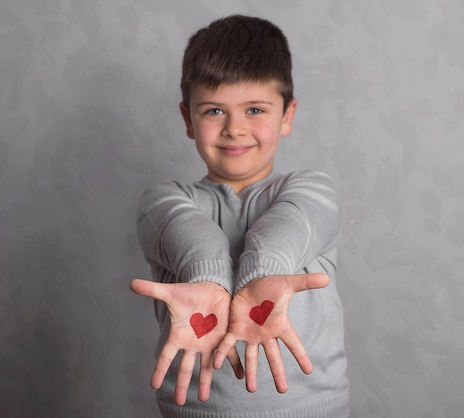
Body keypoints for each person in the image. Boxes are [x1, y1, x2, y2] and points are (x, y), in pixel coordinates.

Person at [130, 14, 350, 418]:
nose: (234, 128)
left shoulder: (313, 190)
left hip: (313, 410)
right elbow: (187, 230)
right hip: (195, 411)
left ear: (287, 115)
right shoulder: (162, 201)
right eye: (214, 111)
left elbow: (292, 221)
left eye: (254, 109)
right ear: (188, 120)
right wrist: (210, 277)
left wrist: (261, 273)